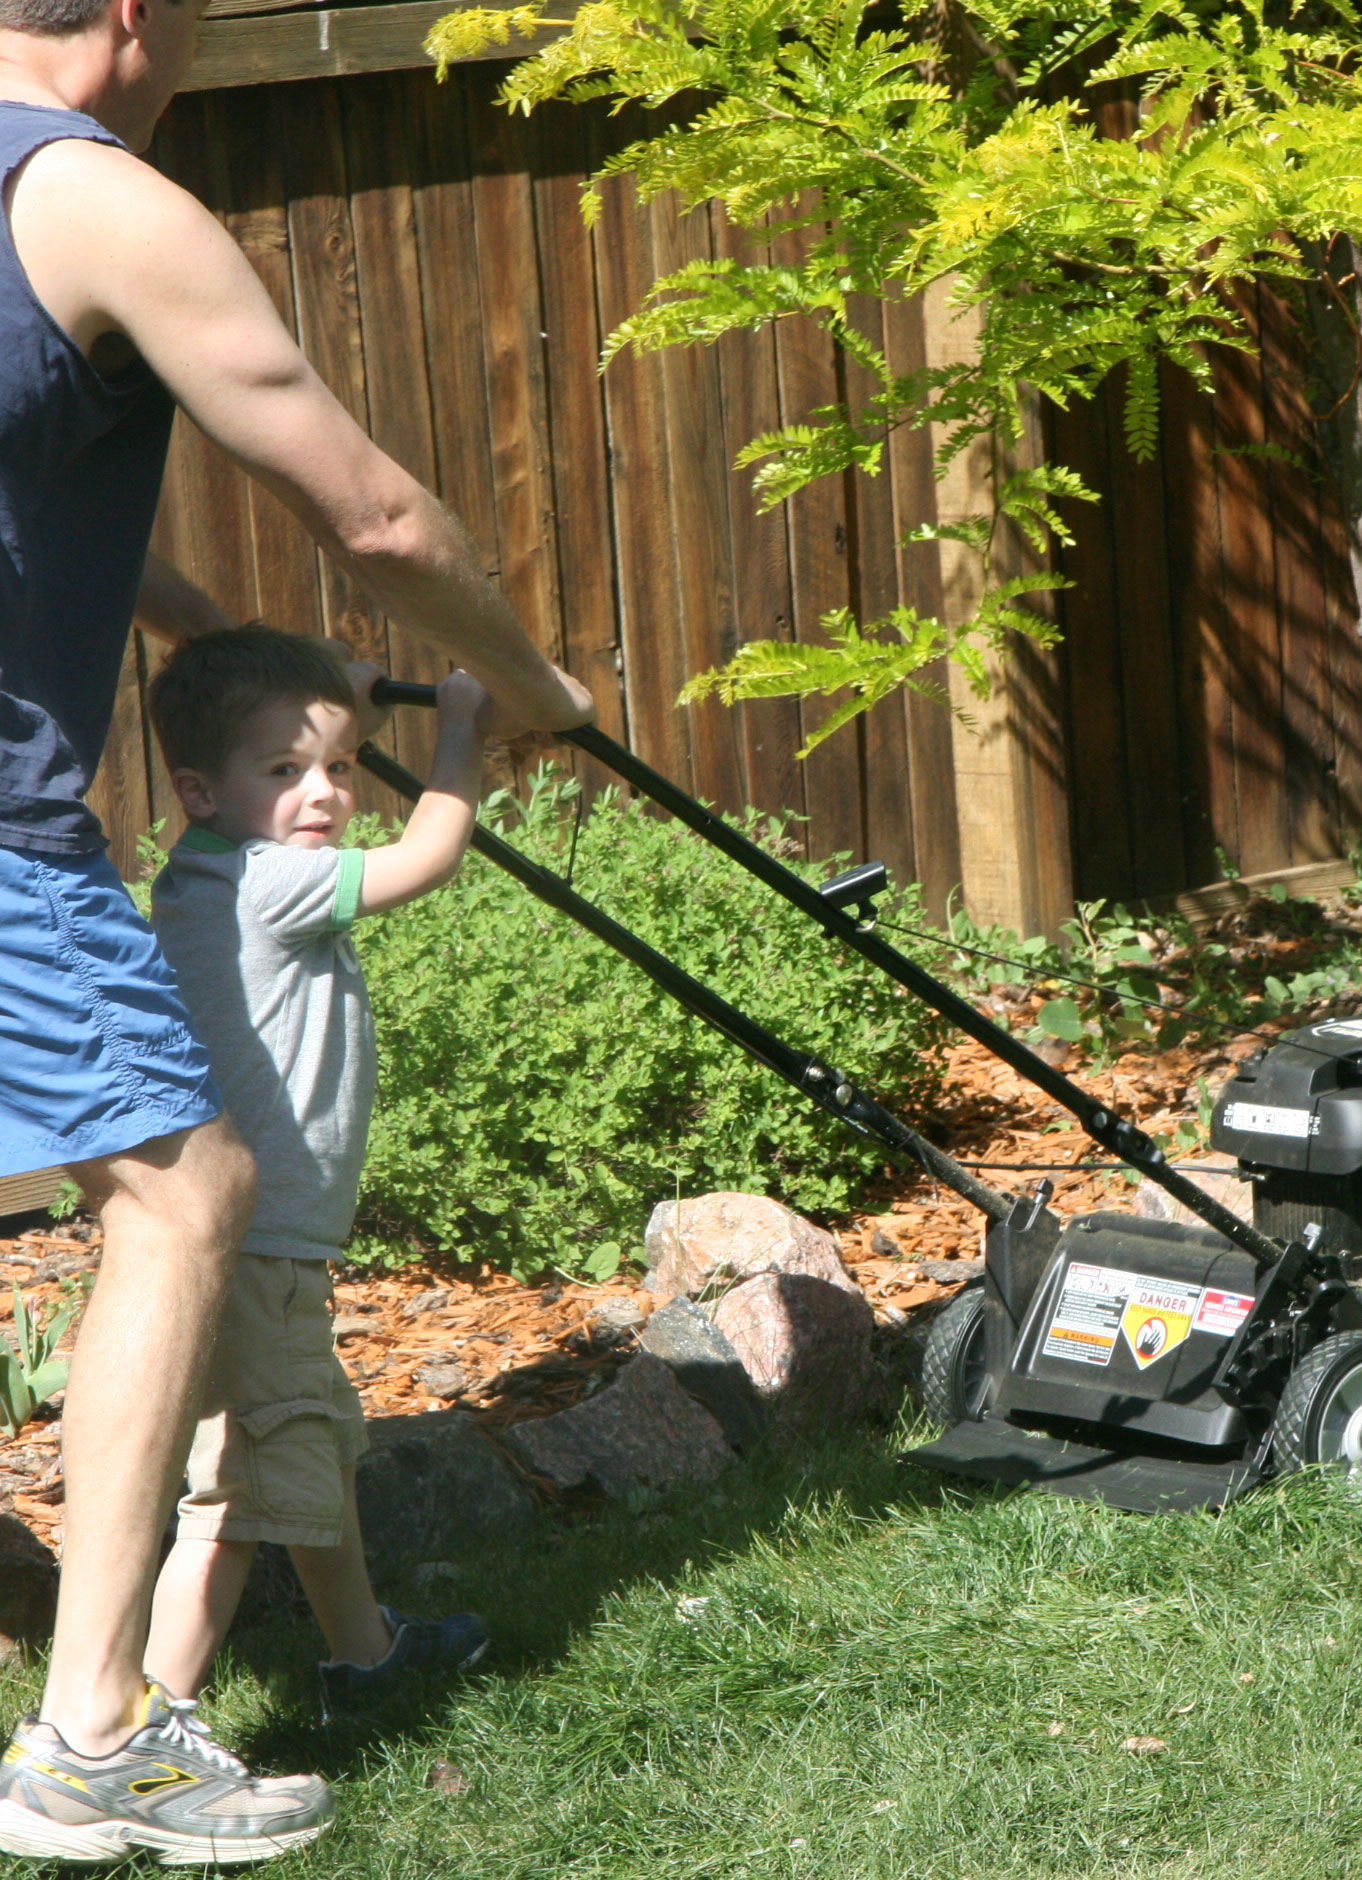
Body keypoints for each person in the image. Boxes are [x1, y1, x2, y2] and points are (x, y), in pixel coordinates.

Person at [0, 0, 592, 1857]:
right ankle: (95, 1733)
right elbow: (377, 515)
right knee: (188, 1193)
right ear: (135, 15)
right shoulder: (95, 200)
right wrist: (533, 688)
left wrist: (191, 626)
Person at [139, 628, 492, 1718]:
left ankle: (366, 1658)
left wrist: (342, 713)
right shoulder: (268, 883)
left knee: (309, 1454)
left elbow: (295, 767)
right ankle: (139, 1725)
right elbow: (428, 857)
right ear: (201, 789)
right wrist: (463, 727)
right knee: (235, 1506)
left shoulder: (203, 869)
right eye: (286, 769)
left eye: (338, 767)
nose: (326, 793)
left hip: (235, 1241)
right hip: (265, 1251)